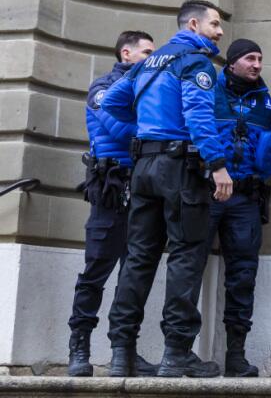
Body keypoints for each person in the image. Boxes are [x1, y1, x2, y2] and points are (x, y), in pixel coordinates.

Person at [102, 0, 231, 378]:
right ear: (193, 25)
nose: (220, 32)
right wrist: (218, 165)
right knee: (186, 256)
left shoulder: (147, 63)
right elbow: (198, 115)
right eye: (215, 24)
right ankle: (177, 353)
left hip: (144, 167)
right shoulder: (195, 63)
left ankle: (122, 354)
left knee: (139, 258)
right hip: (180, 170)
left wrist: (147, 128)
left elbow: (111, 102)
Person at [67, 31, 157, 377]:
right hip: (110, 189)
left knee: (132, 276)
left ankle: (125, 351)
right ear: (126, 53)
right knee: (95, 273)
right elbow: (119, 128)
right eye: (146, 52)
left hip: (143, 189)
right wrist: (157, 130)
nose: (151, 58)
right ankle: (79, 348)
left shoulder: (148, 88)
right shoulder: (103, 88)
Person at [203, 39, 271, 376]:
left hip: (245, 200)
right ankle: (178, 352)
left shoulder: (268, 106)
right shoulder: (209, 93)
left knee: (242, 276)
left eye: (260, 59)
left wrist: (258, 170)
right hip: (207, 193)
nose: (257, 65)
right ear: (232, 62)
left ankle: (235, 356)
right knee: (189, 267)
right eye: (250, 58)